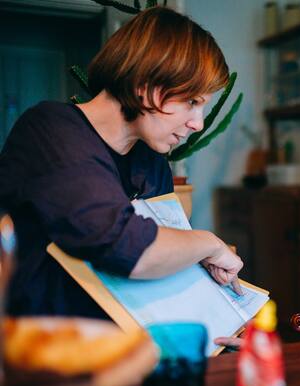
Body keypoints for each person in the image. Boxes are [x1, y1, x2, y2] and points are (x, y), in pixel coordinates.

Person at [0, 7, 243, 318]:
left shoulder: (150, 160)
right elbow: (127, 248)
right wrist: (210, 243)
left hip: (115, 341)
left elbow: (164, 264)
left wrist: (219, 326)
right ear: (145, 85)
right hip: (38, 344)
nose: (198, 123)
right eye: (192, 102)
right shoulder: (51, 130)